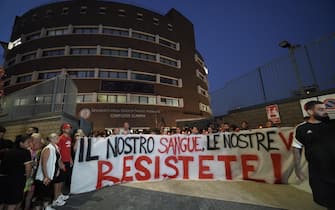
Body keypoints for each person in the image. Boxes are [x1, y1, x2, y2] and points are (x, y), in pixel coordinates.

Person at [293, 100, 335, 209]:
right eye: (321, 109)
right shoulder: (302, 129)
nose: (325, 111)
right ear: (310, 112)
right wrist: (297, 169)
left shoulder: (332, 124)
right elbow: (296, 148)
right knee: (329, 201)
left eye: (325, 108)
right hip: (319, 174)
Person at [0, 134, 32, 210]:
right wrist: (28, 179)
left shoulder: (7, 151)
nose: (30, 144)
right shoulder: (26, 152)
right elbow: (28, 168)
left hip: (2, 179)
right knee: (13, 202)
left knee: (2, 200)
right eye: (28, 142)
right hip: (16, 180)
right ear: (21, 143)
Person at [35, 133, 65, 209]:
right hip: (45, 176)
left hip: (52, 174)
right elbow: (43, 163)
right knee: (43, 193)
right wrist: (46, 176)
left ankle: (46, 206)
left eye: (58, 137)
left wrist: (58, 169)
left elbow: (57, 160)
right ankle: (44, 207)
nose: (58, 138)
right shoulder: (48, 148)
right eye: (56, 137)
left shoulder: (56, 147)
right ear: (51, 139)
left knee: (48, 192)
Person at [24, 133, 46, 210]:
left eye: (38, 140)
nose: (36, 142)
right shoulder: (27, 150)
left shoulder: (43, 150)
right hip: (27, 176)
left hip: (36, 177)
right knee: (22, 195)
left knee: (31, 195)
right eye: (34, 140)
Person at [57, 123, 73, 201]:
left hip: (67, 161)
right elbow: (58, 151)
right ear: (63, 129)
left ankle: (61, 194)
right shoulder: (60, 138)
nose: (69, 129)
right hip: (62, 162)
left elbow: (69, 150)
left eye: (69, 128)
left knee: (64, 178)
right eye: (67, 128)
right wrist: (60, 162)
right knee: (60, 179)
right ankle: (57, 195)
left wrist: (70, 160)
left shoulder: (69, 138)